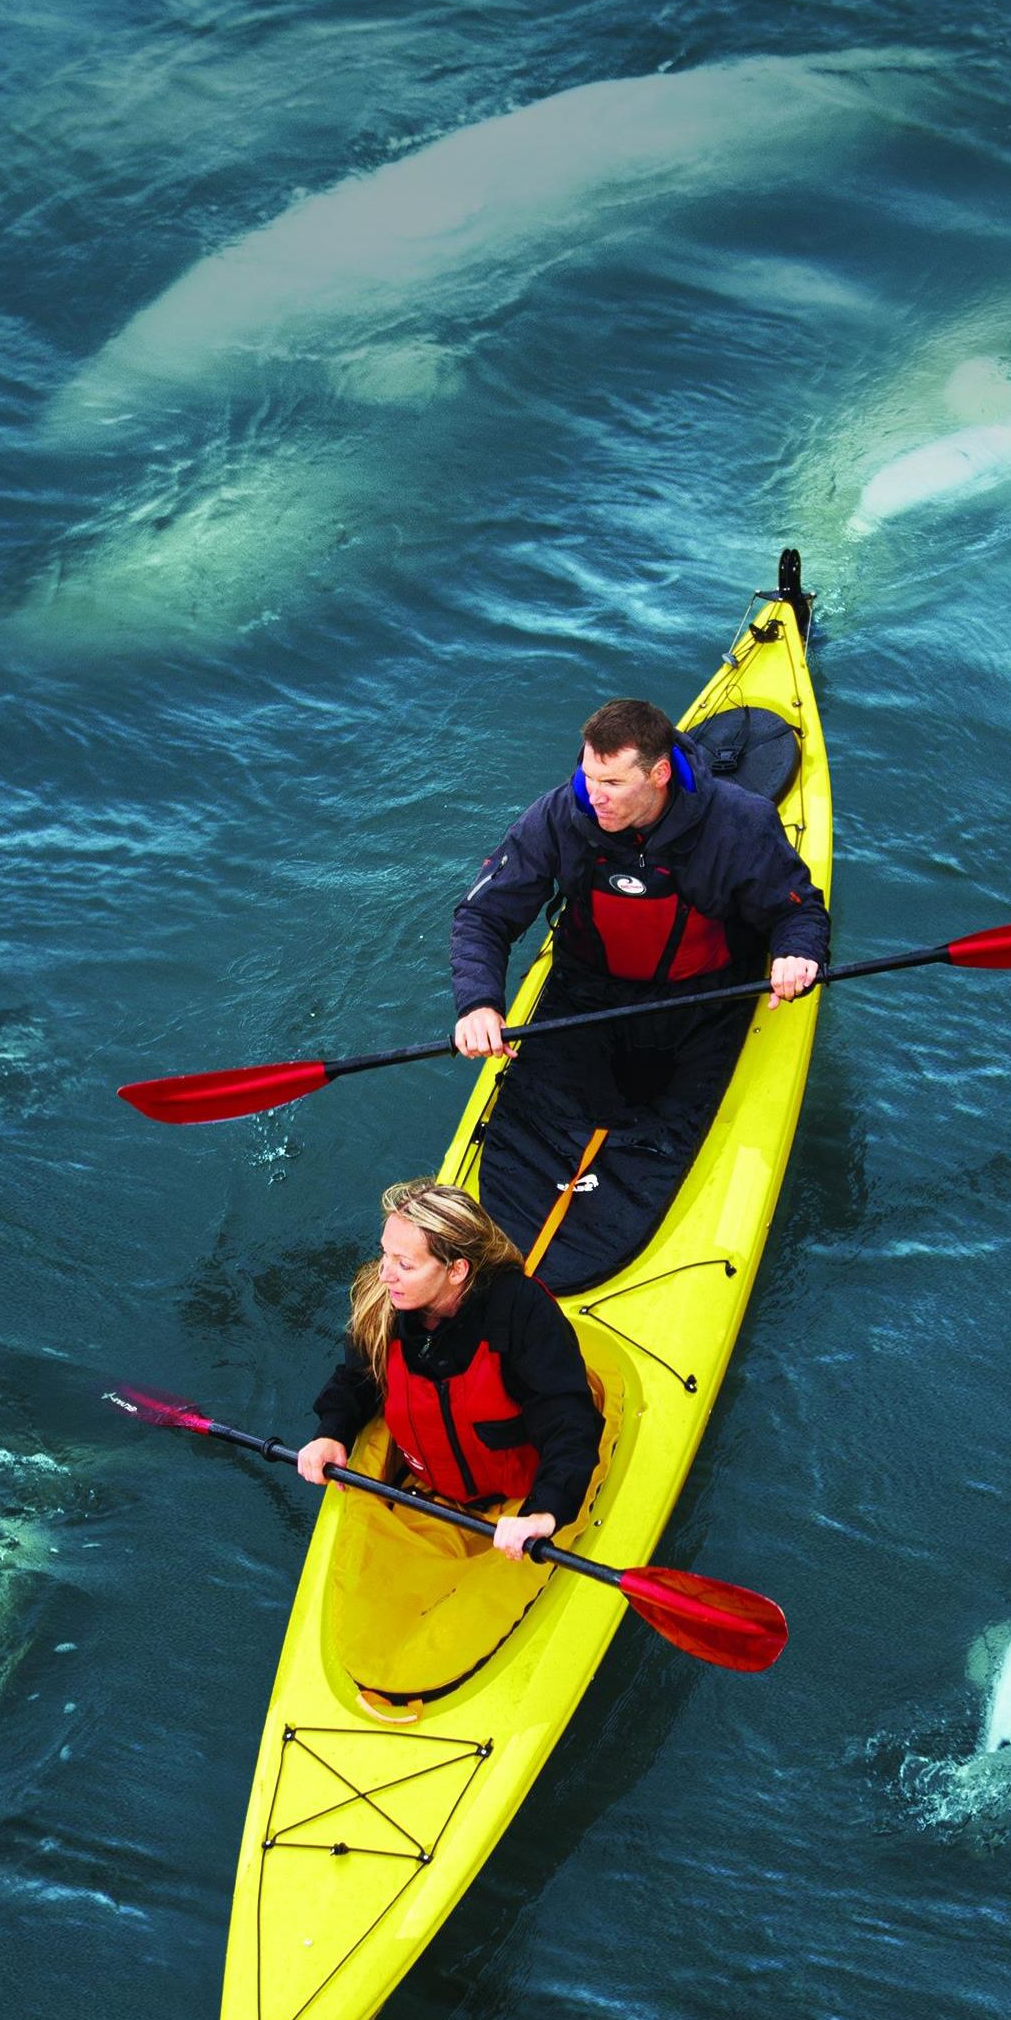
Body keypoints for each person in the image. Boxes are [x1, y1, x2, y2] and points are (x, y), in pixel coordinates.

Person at [446, 697, 830, 1289]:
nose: (592, 795)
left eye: (611, 783)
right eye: (587, 776)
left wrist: (795, 955)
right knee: (553, 1117)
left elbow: (797, 911)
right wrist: (478, 1003)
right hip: (586, 995)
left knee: (660, 1131)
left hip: (700, 1001)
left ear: (659, 774)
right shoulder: (559, 815)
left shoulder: (740, 822)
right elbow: (482, 918)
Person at [297, 1179, 606, 1718]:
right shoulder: (384, 1301)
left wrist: (544, 1513)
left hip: (515, 1505)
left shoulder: (522, 1314)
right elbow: (357, 1377)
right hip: (429, 1492)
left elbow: (569, 1421)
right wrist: (332, 1431)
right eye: (385, 1254)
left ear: (456, 1269)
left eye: (405, 1263)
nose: (385, 1272)